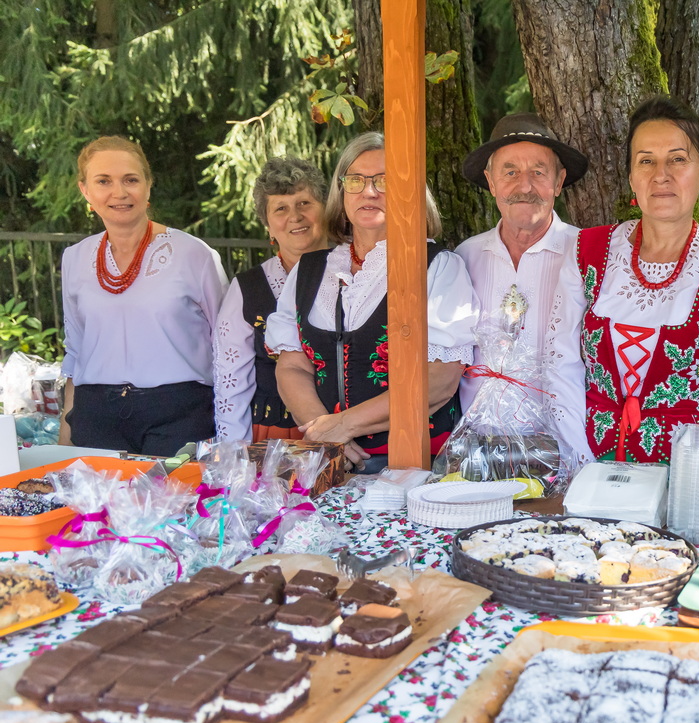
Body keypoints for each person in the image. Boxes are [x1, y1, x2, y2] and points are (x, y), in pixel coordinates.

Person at [550, 95, 699, 463]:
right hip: (590, 467)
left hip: (691, 476)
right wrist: (584, 465)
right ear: (632, 177)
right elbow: (561, 366)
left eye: (678, 159)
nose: (661, 174)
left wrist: (698, 480)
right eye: (646, 161)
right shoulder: (586, 250)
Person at [265, 133, 476, 470]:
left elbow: (441, 378)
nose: (369, 191)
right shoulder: (309, 270)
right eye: (356, 180)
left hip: (416, 461)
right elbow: (291, 365)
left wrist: (343, 427)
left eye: (385, 180)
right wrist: (324, 434)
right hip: (328, 459)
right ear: (341, 190)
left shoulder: (437, 266)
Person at [58, 135, 228, 456]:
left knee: (174, 505)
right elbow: (76, 351)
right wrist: (66, 434)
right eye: (104, 181)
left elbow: (230, 347)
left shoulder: (194, 254)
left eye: (131, 180)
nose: (119, 193)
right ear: (85, 190)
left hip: (179, 416)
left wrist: (232, 431)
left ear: (148, 186)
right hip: (96, 417)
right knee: (96, 507)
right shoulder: (75, 258)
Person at [456, 112, 589, 412]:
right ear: (491, 182)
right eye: (510, 172)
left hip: (562, 445)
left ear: (559, 182)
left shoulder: (586, 255)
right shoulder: (464, 259)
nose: (525, 187)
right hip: (475, 444)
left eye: (539, 172)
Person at [213, 157, 327, 442]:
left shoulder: (358, 273)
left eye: (304, 203)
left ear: (325, 210)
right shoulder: (248, 288)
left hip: (355, 429)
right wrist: (234, 456)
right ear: (268, 226)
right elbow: (231, 384)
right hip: (275, 438)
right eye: (280, 208)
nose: (295, 216)